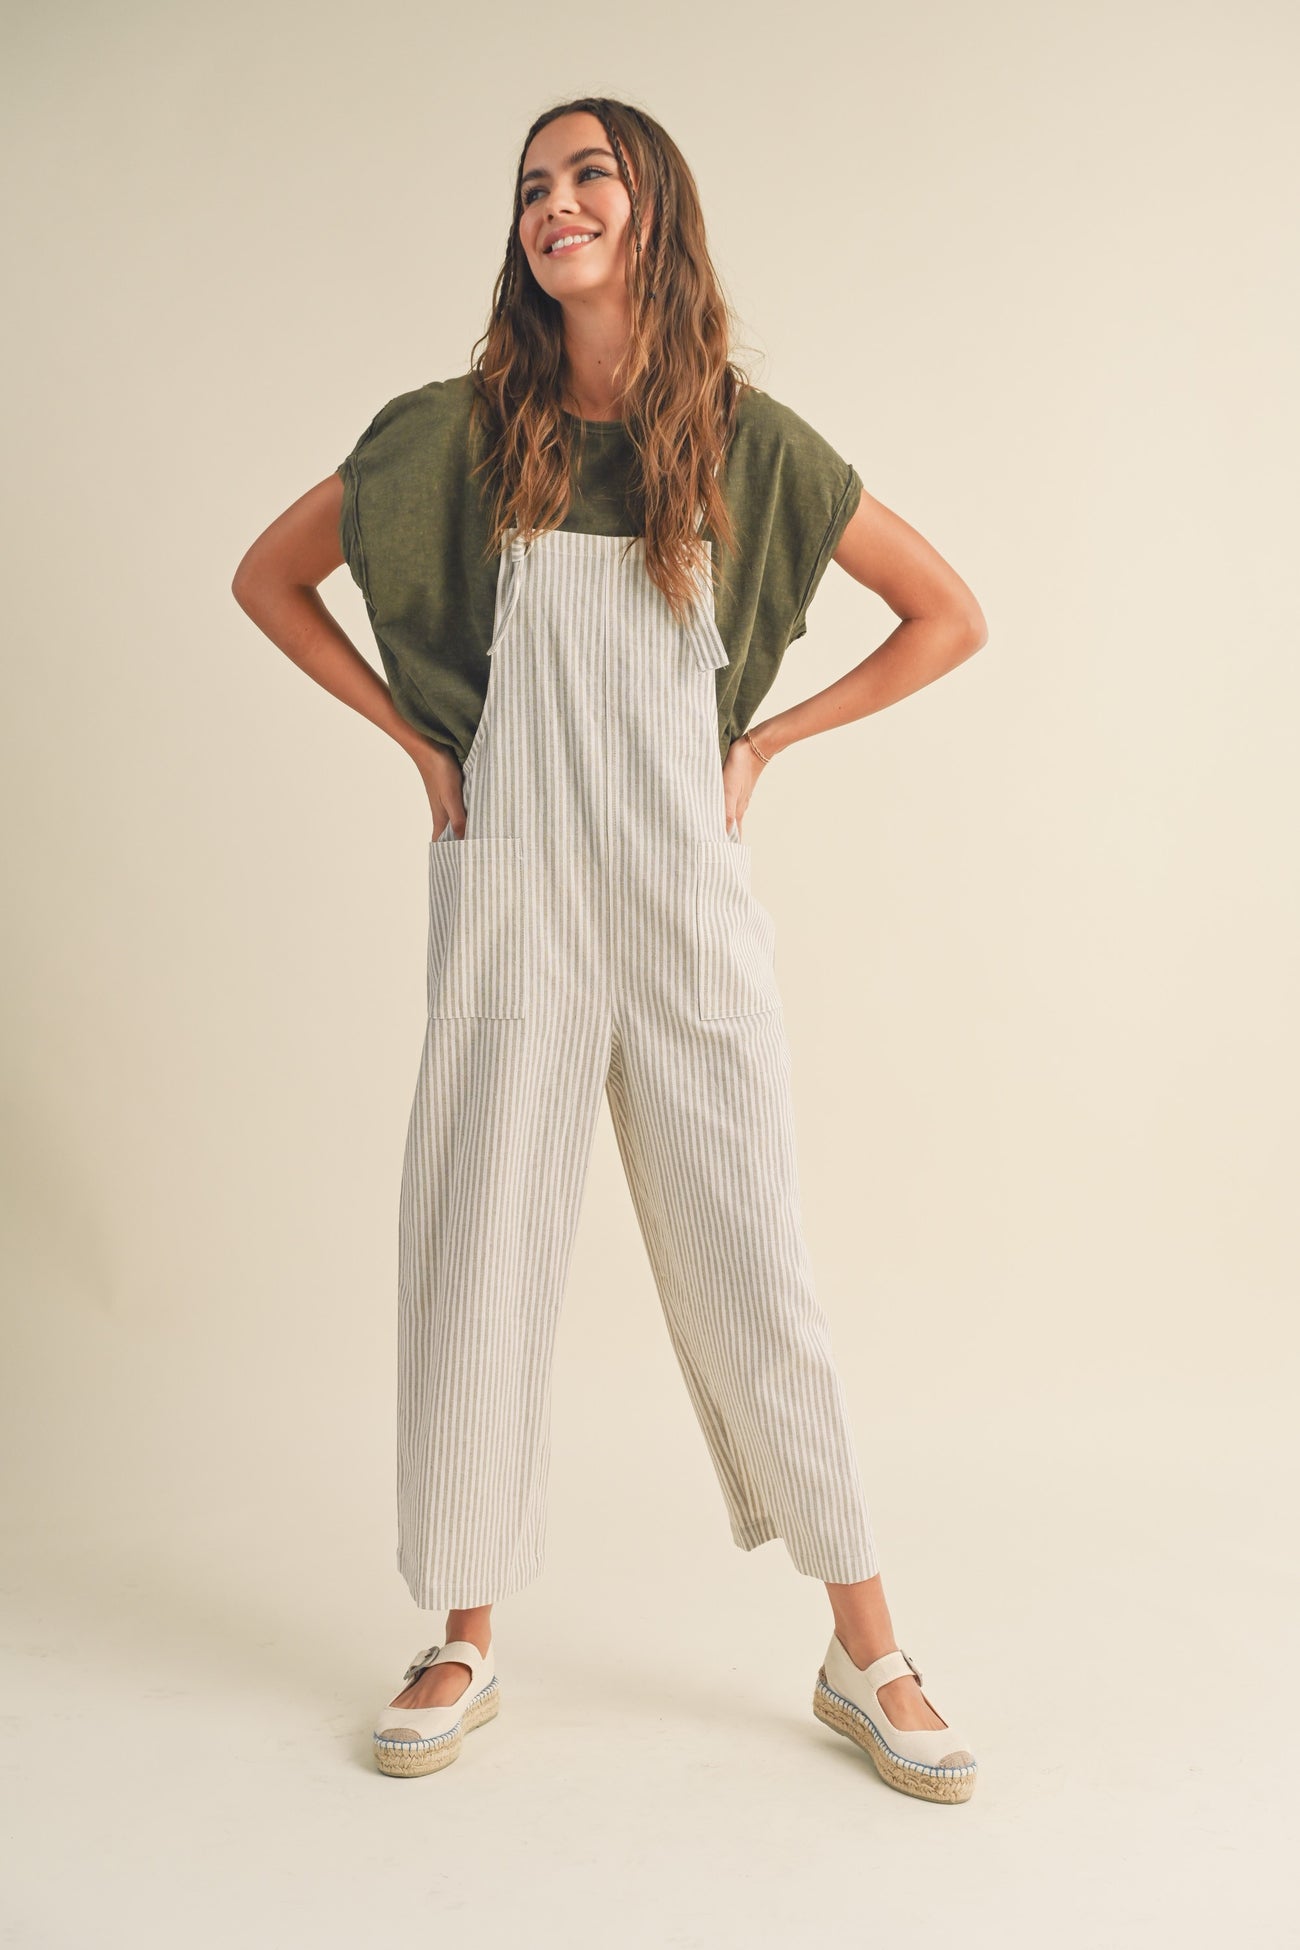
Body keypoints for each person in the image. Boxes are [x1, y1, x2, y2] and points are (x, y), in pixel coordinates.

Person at [231, 96, 987, 1805]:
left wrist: (765, 744)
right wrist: (418, 745)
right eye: (531, 186)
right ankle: (463, 1632)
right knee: (478, 1251)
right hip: (513, 892)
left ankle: (867, 1648)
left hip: (681, 903)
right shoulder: (448, 439)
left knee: (756, 1261)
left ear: (656, 212)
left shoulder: (747, 445)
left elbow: (949, 614)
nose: (554, 202)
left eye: (590, 174)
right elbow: (270, 577)